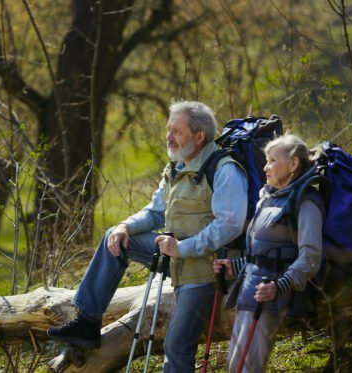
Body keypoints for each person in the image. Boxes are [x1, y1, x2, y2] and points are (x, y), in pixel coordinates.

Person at [47, 100, 248, 372]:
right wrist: (126, 227)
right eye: (168, 130)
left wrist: (182, 248)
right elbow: (155, 212)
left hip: (205, 270)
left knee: (177, 346)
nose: (169, 137)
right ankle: (87, 323)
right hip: (173, 255)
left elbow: (229, 225)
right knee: (114, 238)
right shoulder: (175, 168)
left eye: (176, 131)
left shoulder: (224, 169)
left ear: (199, 137)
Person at [213, 134, 325, 373]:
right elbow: (262, 251)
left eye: (272, 160)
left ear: (293, 164)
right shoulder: (268, 197)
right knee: (234, 366)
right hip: (249, 289)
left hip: (272, 297)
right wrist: (235, 265)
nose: (265, 167)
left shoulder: (306, 201)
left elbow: (311, 256)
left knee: (248, 368)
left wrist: (280, 286)